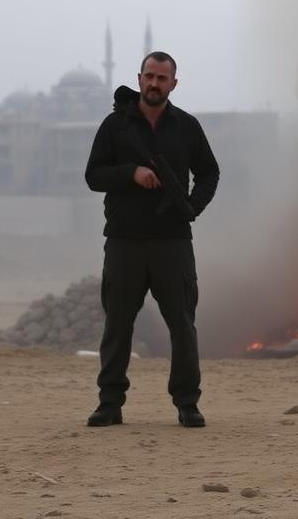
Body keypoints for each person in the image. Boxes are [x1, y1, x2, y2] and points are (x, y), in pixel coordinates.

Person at [84, 51, 219, 428]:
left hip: (172, 242)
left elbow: (209, 173)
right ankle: (110, 403)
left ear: (173, 84)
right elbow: (94, 175)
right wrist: (131, 173)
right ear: (139, 78)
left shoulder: (186, 126)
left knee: (182, 325)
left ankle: (187, 403)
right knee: (117, 326)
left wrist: (192, 206)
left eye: (162, 78)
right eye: (149, 76)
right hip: (124, 241)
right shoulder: (115, 126)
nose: (154, 83)